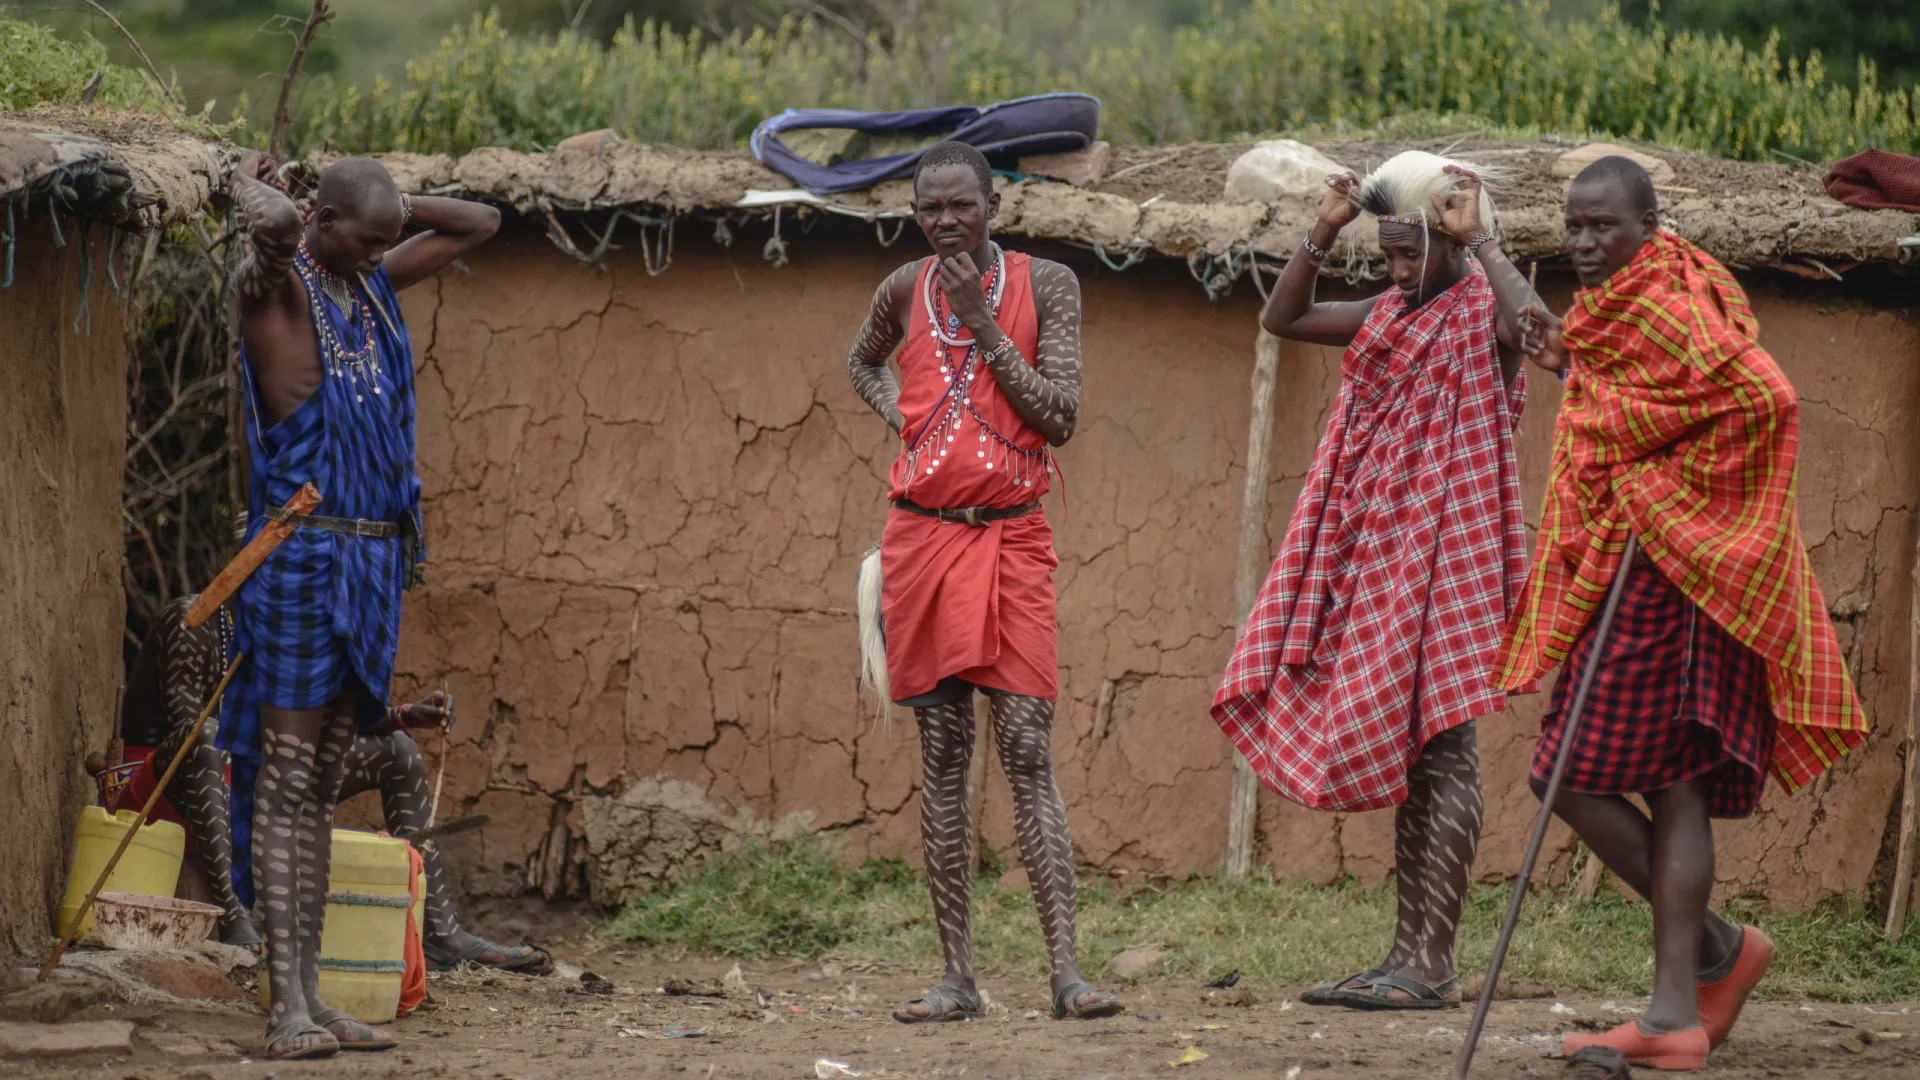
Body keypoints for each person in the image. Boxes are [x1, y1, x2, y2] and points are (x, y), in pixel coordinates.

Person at [1497, 156, 1869, 1071]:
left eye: (1602, 229)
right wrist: (1571, 364)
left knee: (1667, 783)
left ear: (1649, 227)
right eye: (1574, 228)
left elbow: (1760, 399)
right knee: (1576, 775)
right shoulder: (1621, 308)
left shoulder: (1669, 299)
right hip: (1646, 568)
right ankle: (1711, 956)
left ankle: (1676, 1011)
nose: (1584, 245)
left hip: (1686, 570)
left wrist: (1664, 489)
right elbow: (1643, 403)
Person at [1212, 151, 1538, 1010]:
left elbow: (1543, 336)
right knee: (1415, 756)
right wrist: (1323, 228)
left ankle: (1432, 962)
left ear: (1454, 240)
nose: (1396, 269)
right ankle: (1407, 953)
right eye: (1388, 252)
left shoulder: (1484, 313)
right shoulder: (1389, 311)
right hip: (1381, 549)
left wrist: (1486, 243)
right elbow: (1283, 318)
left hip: (1453, 548)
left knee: (1448, 744)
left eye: (1411, 251)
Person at [223, 150, 499, 1058]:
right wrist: (248, 178)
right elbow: (267, 228)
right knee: (289, 778)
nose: (386, 249)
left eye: (388, 238)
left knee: (328, 781)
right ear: (321, 221)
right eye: (370, 234)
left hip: (373, 564)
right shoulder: (279, 291)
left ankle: (316, 995)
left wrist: (381, 203)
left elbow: (479, 223)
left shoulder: (365, 282)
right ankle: (285, 1006)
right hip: (303, 559)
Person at [845, 140, 1120, 1024]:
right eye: (930, 209)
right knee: (942, 758)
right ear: (916, 213)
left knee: (1029, 749)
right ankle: (958, 979)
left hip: (1011, 542)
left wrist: (987, 324)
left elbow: (1063, 418)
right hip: (922, 542)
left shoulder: (1049, 286)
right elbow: (862, 361)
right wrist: (908, 423)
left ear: (994, 205)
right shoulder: (901, 290)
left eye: (961, 205)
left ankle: (1067, 975)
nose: (946, 221)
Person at [115, 595, 551, 971]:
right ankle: (233, 917)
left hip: (253, 778)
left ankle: (440, 931)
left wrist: (401, 716)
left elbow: (318, 722)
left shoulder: (291, 634)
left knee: (398, 751)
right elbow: (192, 739)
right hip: (161, 789)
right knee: (208, 740)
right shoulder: (194, 620)